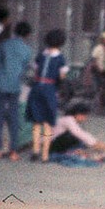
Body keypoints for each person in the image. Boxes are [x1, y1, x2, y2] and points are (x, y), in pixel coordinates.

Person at [0, 21, 33, 161]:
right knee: (14, 117)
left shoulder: (4, 44)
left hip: (0, 84)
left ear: (15, 31)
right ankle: (14, 151)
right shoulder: (27, 49)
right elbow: (25, 68)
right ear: (28, 34)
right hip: (15, 85)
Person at [25, 29, 69, 162]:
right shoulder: (61, 58)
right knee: (48, 122)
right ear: (62, 42)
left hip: (37, 88)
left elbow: (35, 69)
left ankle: (35, 151)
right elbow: (62, 76)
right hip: (50, 89)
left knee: (36, 122)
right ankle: (45, 156)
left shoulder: (40, 55)